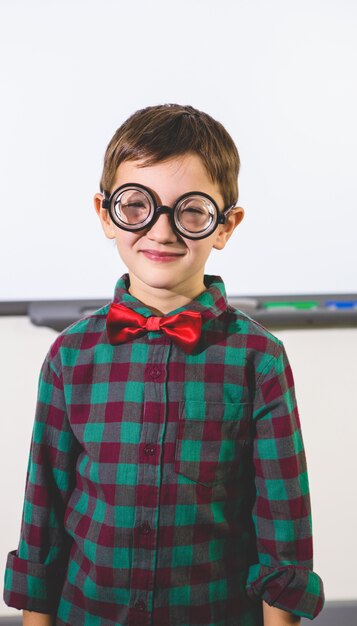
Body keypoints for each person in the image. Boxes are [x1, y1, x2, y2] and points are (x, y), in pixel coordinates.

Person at [3, 104, 324, 625]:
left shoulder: (258, 359)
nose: (162, 231)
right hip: (89, 612)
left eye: (191, 210)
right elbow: (43, 509)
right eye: (137, 206)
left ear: (225, 225)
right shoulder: (69, 356)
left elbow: (282, 523)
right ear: (106, 213)